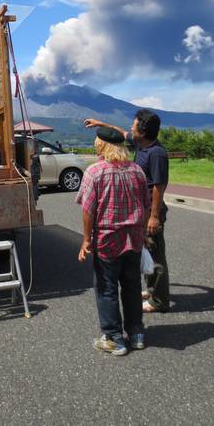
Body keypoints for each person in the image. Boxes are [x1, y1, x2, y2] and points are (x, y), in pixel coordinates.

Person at [84, 110, 169, 313]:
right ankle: (152, 290)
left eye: (134, 125)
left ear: (143, 130)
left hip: (151, 213)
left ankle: (160, 300)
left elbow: (159, 185)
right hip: (143, 212)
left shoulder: (156, 153)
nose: (131, 128)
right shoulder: (142, 144)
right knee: (145, 251)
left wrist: (154, 217)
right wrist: (100, 123)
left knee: (156, 256)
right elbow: (121, 133)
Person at [77, 126, 150, 356]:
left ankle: (114, 338)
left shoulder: (94, 172)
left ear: (101, 145)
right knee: (132, 285)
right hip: (134, 238)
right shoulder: (137, 170)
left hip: (108, 239)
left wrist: (86, 239)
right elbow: (146, 204)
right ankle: (136, 334)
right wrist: (143, 233)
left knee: (107, 288)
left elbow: (89, 210)